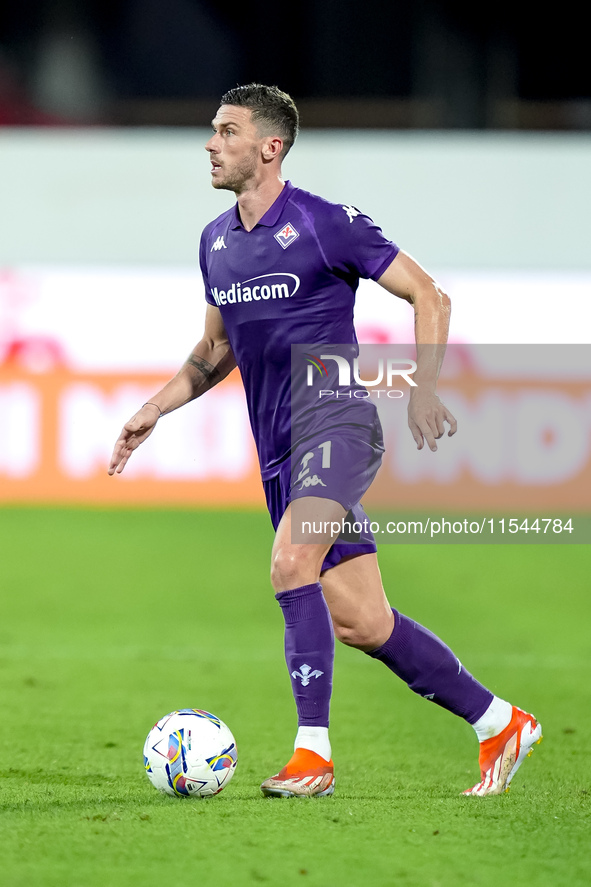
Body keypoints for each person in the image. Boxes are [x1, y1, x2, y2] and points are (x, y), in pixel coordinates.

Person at [108, 83, 541, 798]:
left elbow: (428, 294)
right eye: (213, 131)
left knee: (289, 560)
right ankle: (498, 720)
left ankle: (314, 755)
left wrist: (423, 386)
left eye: (226, 131)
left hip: (334, 420)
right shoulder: (215, 241)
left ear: (269, 147)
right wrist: (157, 407)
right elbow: (215, 350)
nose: (211, 144)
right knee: (362, 621)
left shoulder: (323, 224)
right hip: (278, 446)